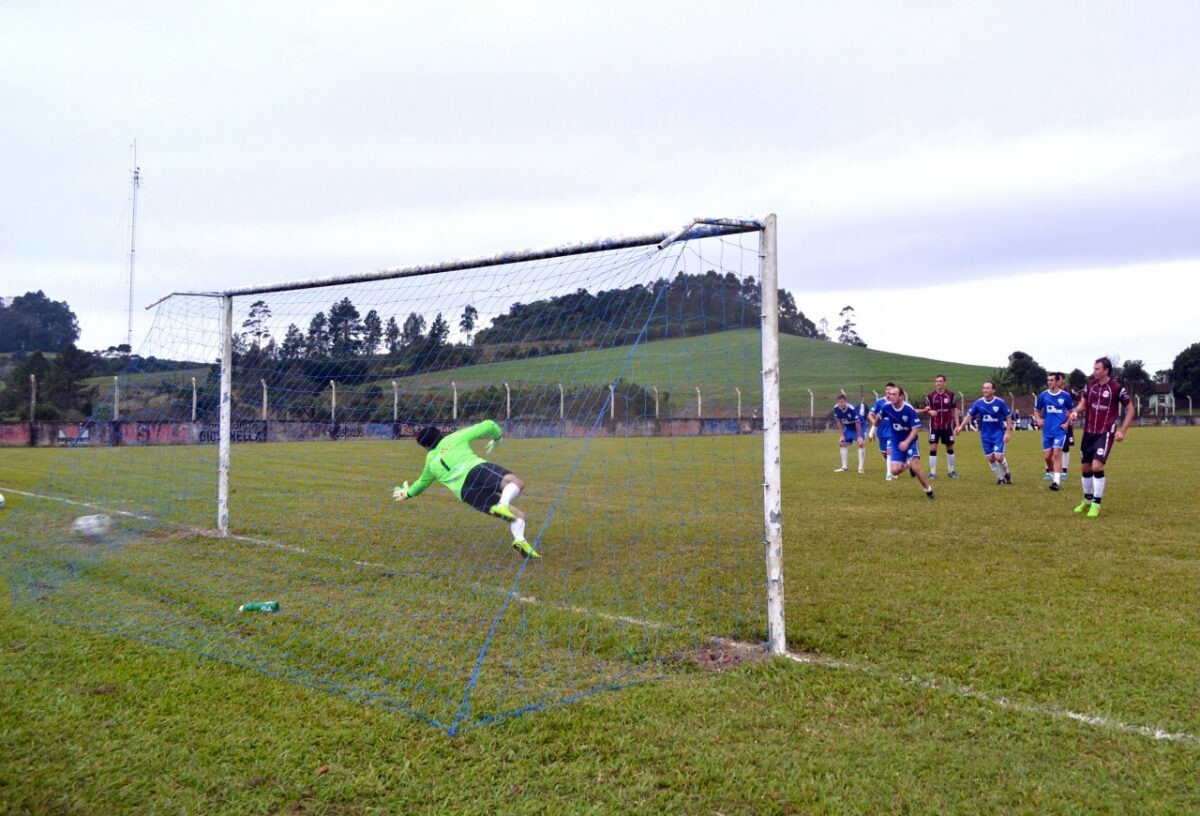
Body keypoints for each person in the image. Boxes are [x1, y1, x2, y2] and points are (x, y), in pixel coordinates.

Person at [393, 420, 539, 558]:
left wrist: (407, 493)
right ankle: (503, 505)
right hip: (475, 471)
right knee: (515, 482)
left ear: (425, 446)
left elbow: (421, 484)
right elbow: (489, 424)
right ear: (440, 434)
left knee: (518, 516)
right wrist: (497, 437)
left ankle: (520, 541)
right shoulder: (454, 437)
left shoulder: (430, 462)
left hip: (467, 493)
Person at [1068, 357, 1134, 518]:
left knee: (1097, 466)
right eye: (1094, 368)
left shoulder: (1117, 388)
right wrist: (1076, 412)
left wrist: (1122, 431)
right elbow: (1082, 405)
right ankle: (1087, 500)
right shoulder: (1090, 385)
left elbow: (1131, 409)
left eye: (1097, 369)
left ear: (1106, 370)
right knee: (1085, 468)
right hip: (1089, 431)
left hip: (1106, 432)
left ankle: (1096, 504)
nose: (1094, 371)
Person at [876, 384, 935, 499]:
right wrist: (874, 427)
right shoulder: (886, 407)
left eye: (894, 394)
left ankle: (929, 491)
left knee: (917, 468)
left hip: (911, 441)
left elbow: (916, 428)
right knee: (894, 471)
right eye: (889, 394)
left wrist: (907, 442)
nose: (890, 396)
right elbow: (878, 418)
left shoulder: (908, 409)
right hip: (896, 442)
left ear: (901, 396)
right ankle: (908, 465)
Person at [955, 381, 1013, 484]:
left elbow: (1008, 417)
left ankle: (1007, 473)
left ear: (993, 390)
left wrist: (1008, 433)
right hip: (985, 435)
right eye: (984, 388)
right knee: (991, 459)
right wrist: (960, 426)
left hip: (998, 434)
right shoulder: (978, 403)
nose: (985, 390)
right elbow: (969, 416)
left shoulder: (1000, 402)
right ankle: (1000, 479)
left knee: (998, 457)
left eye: (987, 388)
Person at [1033, 372, 1074, 491]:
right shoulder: (1043, 396)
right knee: (1047, 457)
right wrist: (1039, 419)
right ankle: (1053, 477)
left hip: (1060, 430)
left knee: (1056, 454)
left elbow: (1071, 411)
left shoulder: (1065, 396)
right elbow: (1036, 410)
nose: (1049, 382)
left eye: (1052, 380)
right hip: (1047, 431)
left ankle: (1057, 482)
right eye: (1048, 380)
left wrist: (1066, 424)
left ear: (1057, 382)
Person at [918, 374, 959, 480]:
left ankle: (951, 471)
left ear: (945, 382)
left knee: (950, 447)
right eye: (936, 381)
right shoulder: (930, 396)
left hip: (947, 426)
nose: (938, 383)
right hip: (935, 426)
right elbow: (927, 409)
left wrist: (958, 425)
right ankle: (932, 473)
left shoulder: (951, 395)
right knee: (933, 447)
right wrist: (930, 411)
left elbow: (954, 410)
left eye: (940, 381)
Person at [867, 384, 896, 481]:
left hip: (893, 432)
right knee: (884, 454)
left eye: (890, 389)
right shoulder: (879, 402)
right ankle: (891, 467)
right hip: (881, 432)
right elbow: (870, 415)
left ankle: (889, 474)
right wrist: (874, 425)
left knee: (889, 451)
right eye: (887, 389)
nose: (888, 391)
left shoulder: (897, 402)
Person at [832, 393, 865, 473]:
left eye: (842, 402)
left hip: (859, 426)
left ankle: (860, 467)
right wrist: (842, 435)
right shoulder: (836, 408)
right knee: (842, 443)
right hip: (849, 427)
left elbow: (857, 423)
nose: (840, 404)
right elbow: (839, 422)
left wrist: (859, 436)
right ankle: (844, 467)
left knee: (860, 443)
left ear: (845, 402)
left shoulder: (851, 409)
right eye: (839, 402)